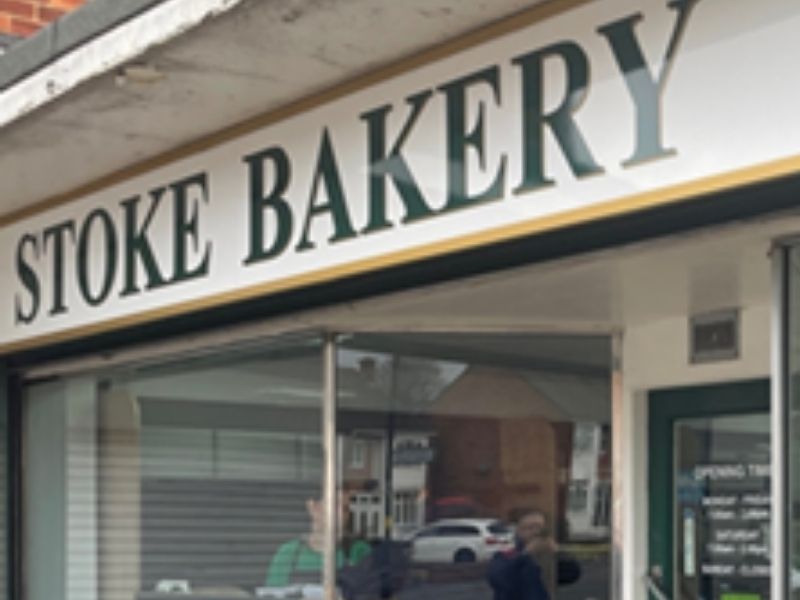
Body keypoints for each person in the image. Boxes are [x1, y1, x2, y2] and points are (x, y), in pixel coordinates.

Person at [264, 495, 371, 589]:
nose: (340, 514)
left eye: (345, 509)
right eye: (334, 505)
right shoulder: (288, 552)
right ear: (313, 507)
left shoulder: (358, 551)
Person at [487, 510, 556, 600]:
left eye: (540, 528)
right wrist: (525, 555)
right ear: (518, 531)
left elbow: (572, 573)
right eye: (530, 528)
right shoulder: (505, 555)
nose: (536, 532)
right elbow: (498, 578)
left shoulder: (548, 555)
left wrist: (557, 554)